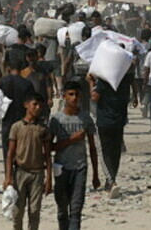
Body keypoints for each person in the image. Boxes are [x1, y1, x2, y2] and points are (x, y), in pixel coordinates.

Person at [49, 81, 100, 230]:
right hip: (61, 168)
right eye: (71, 94)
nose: (74, 98)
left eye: (77, 94)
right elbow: (49, 147)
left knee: (76, 210)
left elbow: (92, 147)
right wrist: (71, 140)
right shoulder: (56, 120)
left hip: (80, 167)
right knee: (62, 211)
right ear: (64, 96)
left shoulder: (85, 118)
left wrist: (95, 174)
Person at [86, 64, 138, 197]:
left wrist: (91, 82)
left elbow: (94, 98)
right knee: (115, 151)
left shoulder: (104, 82)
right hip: (119, 120)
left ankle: (111, 181)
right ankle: (111, 180)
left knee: (104, 152)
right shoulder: (125, 80)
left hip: (104, 120)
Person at [2, 93, 52, 230]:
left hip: (37, 174)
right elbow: (10, 154)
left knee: (34, 211)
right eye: (34, 104)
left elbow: (47, 155)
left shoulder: (43, 129)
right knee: (18, 211)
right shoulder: (16, 127)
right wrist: (8, 177)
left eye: (40, 105)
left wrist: (49, 179)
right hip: (20, 173)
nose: (37, 108)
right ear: (26, 105)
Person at [0, 57, 36, 161]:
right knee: (21, 148)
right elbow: (32, 102)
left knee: (7, 148)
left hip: (7, 119)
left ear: (9, 68)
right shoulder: (27, 83)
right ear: (22, 69)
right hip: (22, 119)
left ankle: (8, 174)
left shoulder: (3, 82)